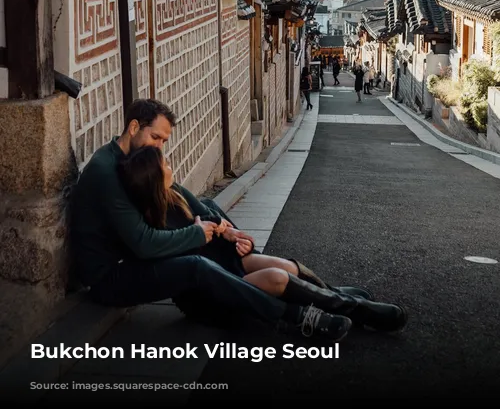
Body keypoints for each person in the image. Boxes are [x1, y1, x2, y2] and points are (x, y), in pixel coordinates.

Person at [72, 99, 407, 343]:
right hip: (112, 275)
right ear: (133, 127)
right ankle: (297, 315)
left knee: (243, 255)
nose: (161, 149)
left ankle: (338, 298)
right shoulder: (107, 171)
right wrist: (198, 231)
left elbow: (190, 199)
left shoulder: (135, 162)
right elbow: (144, 242)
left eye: (164, 142)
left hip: (141, 257)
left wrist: (226, 229)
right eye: (156, 138)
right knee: (196, 264)